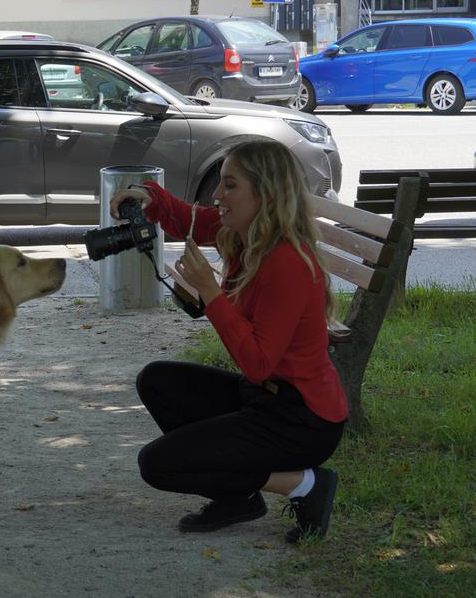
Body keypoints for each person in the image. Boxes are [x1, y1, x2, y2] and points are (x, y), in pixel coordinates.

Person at [110, 140, 348, 543]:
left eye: (231, 185)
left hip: (301, 420)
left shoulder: (287, 262)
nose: (218, 195)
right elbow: (191, 219)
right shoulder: (243, 234)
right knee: (157, 380)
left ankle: (305, 484)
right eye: (221, 183)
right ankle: (237, 499)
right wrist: (149, 196)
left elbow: (258, 362)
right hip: (263, 397)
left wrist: (210, 292)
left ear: (266, 194)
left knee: (158, 464)